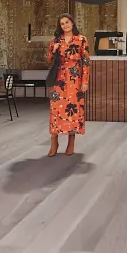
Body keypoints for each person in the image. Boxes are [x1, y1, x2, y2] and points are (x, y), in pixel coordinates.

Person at [46, 13, 90, 156]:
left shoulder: (81, 40)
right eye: (62, 23)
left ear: (72, 23)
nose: (65, 25)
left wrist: (85, 82)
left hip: (74, 80)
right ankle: (54, 142)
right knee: (55, 111)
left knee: (73, 111)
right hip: (58, 79)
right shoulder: (55, 40)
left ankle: (71, 143)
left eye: (67, 22)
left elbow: (86, 62)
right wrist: (54, 50)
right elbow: (48, 60)